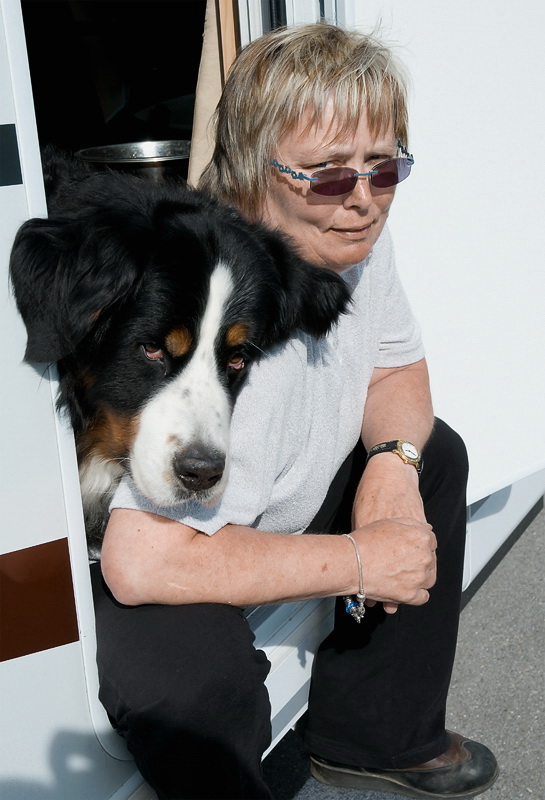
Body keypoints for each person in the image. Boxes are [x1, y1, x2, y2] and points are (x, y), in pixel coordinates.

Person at [91, 23, 499, 799]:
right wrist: (360, 559)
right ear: (250, 173)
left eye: (384, 171)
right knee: (189, 686)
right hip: (154, 551)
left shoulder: (348, 240)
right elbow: (141, 562)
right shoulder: (208, 311)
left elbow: (393, 365)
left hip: (250, 511)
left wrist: (392, 468)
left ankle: (374, 735)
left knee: (432, 452)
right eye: (325, 176)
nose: (362, 202)